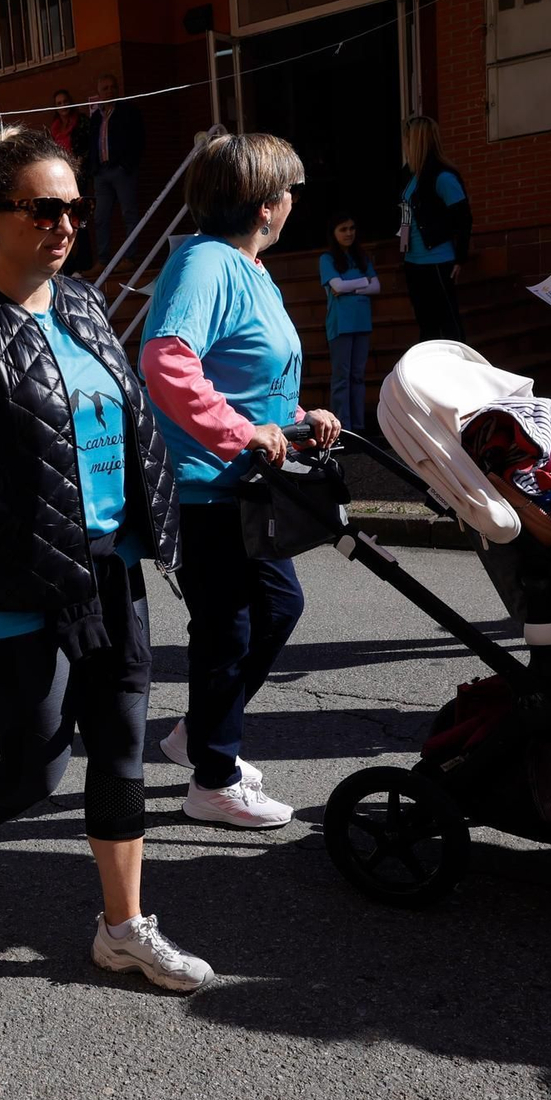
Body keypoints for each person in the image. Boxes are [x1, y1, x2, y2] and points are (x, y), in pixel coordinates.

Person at [0, 125, 210, 993]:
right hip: (12, 578)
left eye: (75, 206)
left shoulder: (85, 306)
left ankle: (123, 926)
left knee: (122, 745)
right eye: (45, 208)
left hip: (107, 565)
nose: (67, 223)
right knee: (35, 763)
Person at [140, 131, 340, 830]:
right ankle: (214, 778)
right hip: (204, 484)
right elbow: (167, 359)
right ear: (263, 204)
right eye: (287, 193)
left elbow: (251, 370)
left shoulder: (250, 268)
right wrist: (239, 431)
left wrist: (297, 414)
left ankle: (201, 734)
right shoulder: (203, 264)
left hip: (249, 484)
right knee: (227, 629)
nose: (292, 204)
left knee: (277, 609)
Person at [398, 116, 471, 342]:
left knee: (449, 324)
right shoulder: (410, 175)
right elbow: (406, 215)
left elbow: (464, 218)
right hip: (413, 262)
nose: (405, 145)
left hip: (438, 261)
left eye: (408, 140)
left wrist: (460, 258)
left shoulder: (443, 177)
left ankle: (460, 370)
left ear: (418, 141)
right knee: (426, 325)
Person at [319, 213, 379, 431]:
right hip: (340, 325)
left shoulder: (361, 257)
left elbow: (376, 286)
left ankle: (359, 426)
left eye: (351, 228)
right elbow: (336, 286)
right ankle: (343, 428)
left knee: (357, 377)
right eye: (343, 229)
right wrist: (363, 284)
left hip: (362, 323)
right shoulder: (327, 259)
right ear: (334, 233)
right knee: (342, 378)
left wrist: (350, 286)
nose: (348, 233)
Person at [84, 73, 144, 263]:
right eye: (105, 88)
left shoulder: (128, 112)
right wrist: (93, 168)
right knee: (100, 217)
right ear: (99, 93)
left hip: (122, 170)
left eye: (113, 87)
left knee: (129, 213)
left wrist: (127, 165)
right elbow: (91, 144)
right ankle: (103, 262)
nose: (110, 91)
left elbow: (139, 140)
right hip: (101, 173)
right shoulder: (95, 117)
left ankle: (130, 258)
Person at [46, 88, 84, 158]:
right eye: (59, 103)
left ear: (70, 102)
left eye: (65, 101)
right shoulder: (53, 128)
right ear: (56, 108)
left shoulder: (82, 121)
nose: (63, 105)